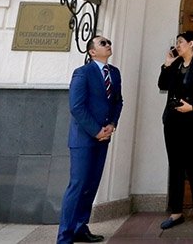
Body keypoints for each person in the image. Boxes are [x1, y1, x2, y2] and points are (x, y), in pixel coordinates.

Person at [57, 35, 123, 244]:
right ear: (92, 51)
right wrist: (96, 131)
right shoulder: (82, 73)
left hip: (103, 137)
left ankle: (80, 228)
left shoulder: (114, 73)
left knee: (91, 185)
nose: (108, 45)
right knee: (78, 185)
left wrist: (112, 124)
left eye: (109, 42)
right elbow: (77, 106)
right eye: (103, 43)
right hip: (84, 139)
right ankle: (64, 237)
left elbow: (118, 101)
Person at [157, 30, 193, 230]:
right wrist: (167, 64)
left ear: (191, 44)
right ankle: (176, 213)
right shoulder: (175, 65)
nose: (178, 45)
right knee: (175, 165)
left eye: (181, 42)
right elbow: (162, 85)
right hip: (173, 121)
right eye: (177, 42)